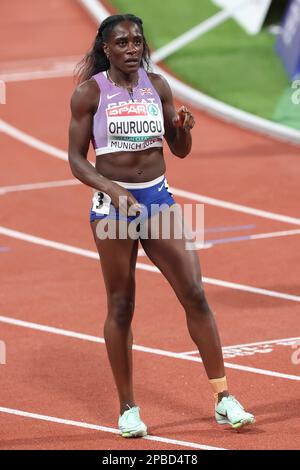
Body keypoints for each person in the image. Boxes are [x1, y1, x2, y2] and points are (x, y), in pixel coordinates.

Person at [68, 13, 255, 438]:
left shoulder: (160, 86)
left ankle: (224, 398)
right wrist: (112, 190)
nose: (132, 48)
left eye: (137, 41)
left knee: (194, 291)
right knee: (121, 304)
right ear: (106, 49)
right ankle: (128, 407)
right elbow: (76, 159)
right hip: (113, 207)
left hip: (156, 199)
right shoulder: (88, 94)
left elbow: (180, 150)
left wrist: (184, 130)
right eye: (122, 43)